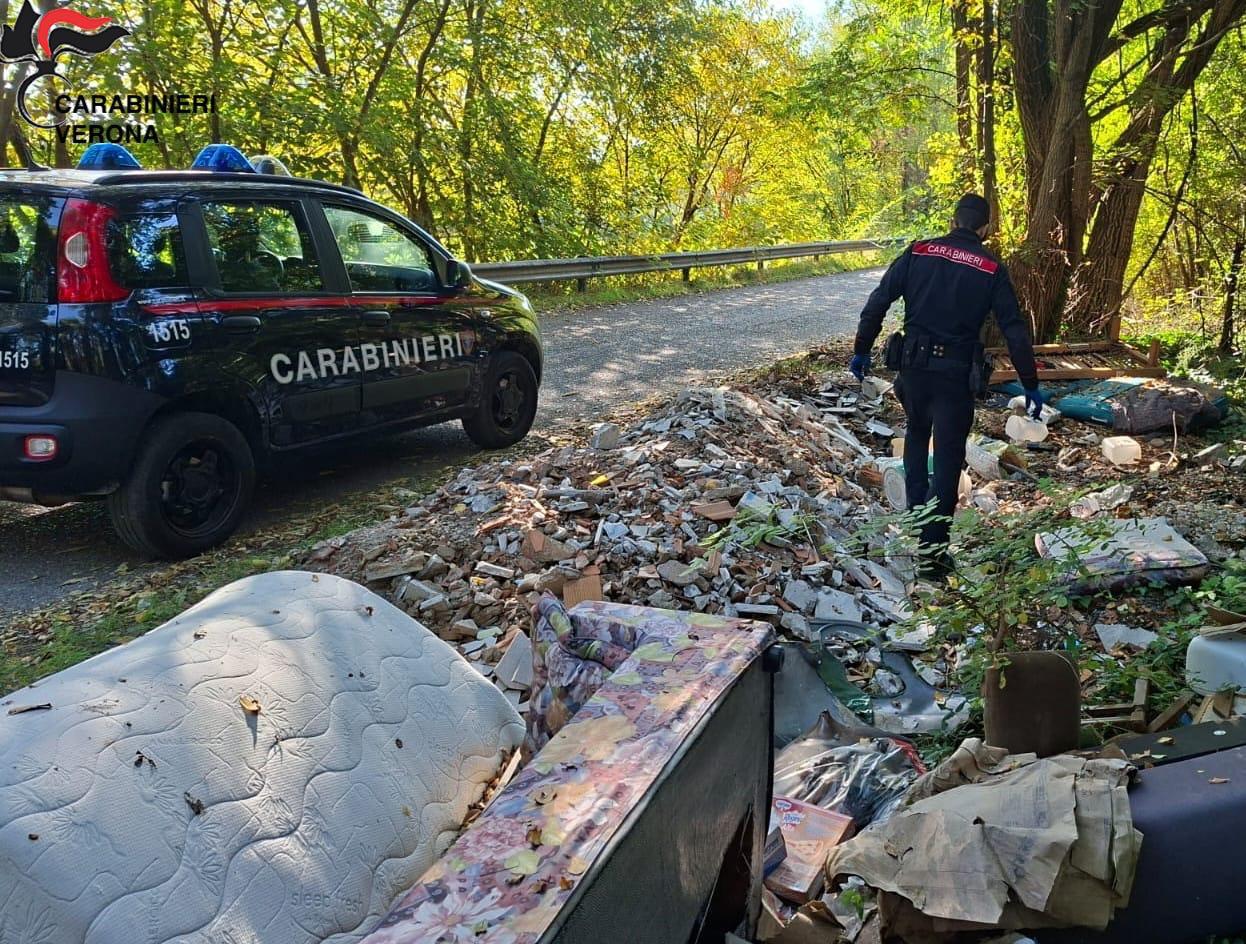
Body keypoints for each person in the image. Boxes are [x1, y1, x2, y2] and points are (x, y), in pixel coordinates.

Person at [848, 193, 1042, 576]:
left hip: (913, 371)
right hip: (954, 379)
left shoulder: (918, 252)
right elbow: (1014, 330)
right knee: (949, 460)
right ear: (985, 228)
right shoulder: (990, 267)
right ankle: (933, 556)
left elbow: (878, 301)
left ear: (954, 221)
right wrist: (1030, 384)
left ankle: (916, 518)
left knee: (917, 434)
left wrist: (861, 350)